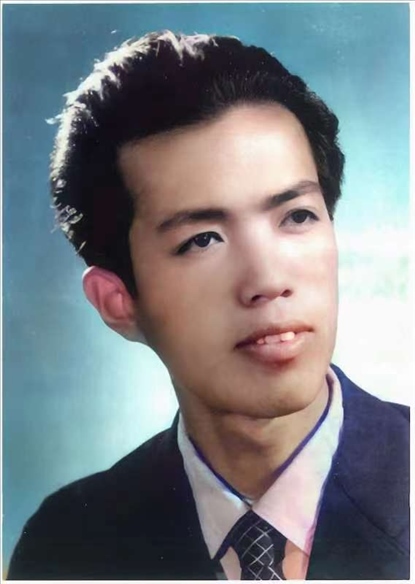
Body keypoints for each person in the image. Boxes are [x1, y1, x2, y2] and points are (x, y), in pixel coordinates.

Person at [8, 30, 409, 580]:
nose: (267, 280)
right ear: (117, 302)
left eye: (296, 216)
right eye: (202, 240)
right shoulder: (66, 546)